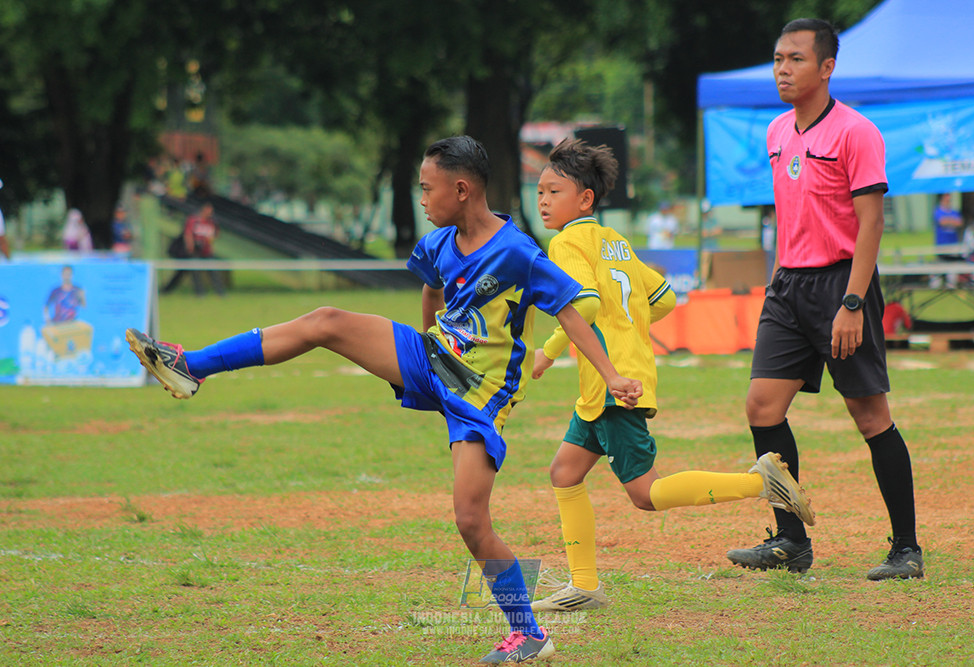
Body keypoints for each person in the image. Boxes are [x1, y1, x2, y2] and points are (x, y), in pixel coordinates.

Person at [125, 136, 644, 663]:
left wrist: (612, 375)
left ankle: (530, 635)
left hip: (480, 397)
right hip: (431, 358)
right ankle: (192, 366)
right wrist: (427, 343)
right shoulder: (441, 241)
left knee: (471, 521)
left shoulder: (518, 252)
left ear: (461, 190)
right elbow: (432, 286)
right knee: (325, 321)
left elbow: (572, 313)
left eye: (427, 189)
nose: (421, 200)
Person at [529, 138, 815, 612]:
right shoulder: (614, 241)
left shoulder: (565, 243)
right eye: (539, 191)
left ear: (585, 199)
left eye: (553, 191)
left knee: (646, 494)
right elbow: (660, 299)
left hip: (612, 384)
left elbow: (580, 307)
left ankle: (759, 482)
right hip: (614, 380)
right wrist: (625, 328)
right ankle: (584, 586)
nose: (542, 200)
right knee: (564, 472)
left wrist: (555, 347)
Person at [726, 18, 923, 581]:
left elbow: (871, 224)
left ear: (827, 67)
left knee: (870, 415)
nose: (782, 69)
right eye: (778, 59)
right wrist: (780, 284)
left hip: (843, 286)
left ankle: (906, 549)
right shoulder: (775, 132)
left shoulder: (856, 132)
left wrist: (854, 303)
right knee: (762, 408)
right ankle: (791, 540)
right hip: (788, 286)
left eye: (795, 59)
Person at [160, 200, 224, 296]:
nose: (210, 212)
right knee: (194, 272)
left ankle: (220, 293)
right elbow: (188, 233)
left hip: (206, 251)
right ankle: (200, 293)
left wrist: (211, 239)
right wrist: (190, 246)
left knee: (213, 271)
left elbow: (215, 235)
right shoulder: (194, 220)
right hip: (195, 251)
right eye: (209, 210)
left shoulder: (211, 222)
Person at [932, 193, 964, 260]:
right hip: (942, 245)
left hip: (954, 244)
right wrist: (952, 220)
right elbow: (942, 222)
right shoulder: (938, 211)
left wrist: (948, 220)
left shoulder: (954, 212)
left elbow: (959, 223)